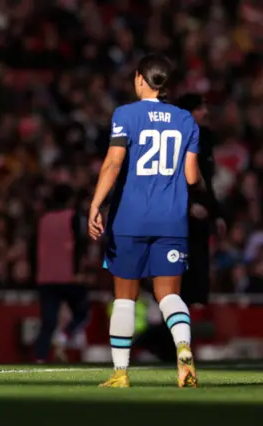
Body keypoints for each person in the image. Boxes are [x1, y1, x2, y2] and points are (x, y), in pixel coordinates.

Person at [88, 54, 203, 388]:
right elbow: (192, 177)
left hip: (130, 220)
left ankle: (121, 373)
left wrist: (95, 204)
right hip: (171, 220)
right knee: (169, 295)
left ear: (140, 78)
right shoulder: (186, 121)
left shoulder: (126, 114)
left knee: (125, 297)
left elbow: (113, 163)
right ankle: (183, 349)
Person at [176, 93, 226, 306]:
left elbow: (207, 181)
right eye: (199, 108)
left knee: (199, 270)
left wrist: (217, 215)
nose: (205, 112)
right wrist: (187, 206)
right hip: (177, 218)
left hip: (200, 218)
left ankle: (192, 322)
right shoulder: (173, 140)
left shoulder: (206, 138)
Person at [33, 184, 90, 363]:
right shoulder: (74, 217)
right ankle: (64, 335)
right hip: (68, 276)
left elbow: (33, 247)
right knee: (82, 312)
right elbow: (80, 245)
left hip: (46, 277)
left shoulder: (43, 219)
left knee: (48, 321)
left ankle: (40, 357)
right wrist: (78, 270)